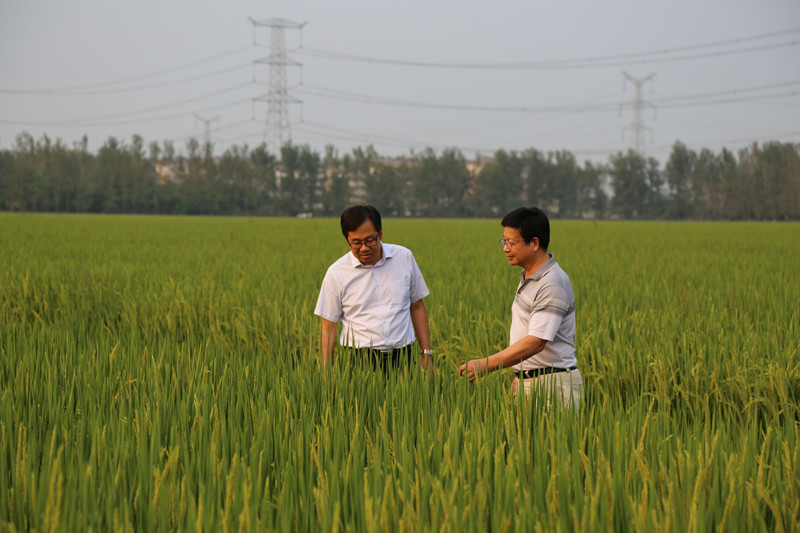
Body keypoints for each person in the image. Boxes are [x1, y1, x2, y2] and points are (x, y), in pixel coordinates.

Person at [458, 207, 582, 410]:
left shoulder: (552, 283)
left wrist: (486, 364)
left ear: (534, 243)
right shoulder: (530, 276)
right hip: (536, 379)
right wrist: (522, 374)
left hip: (552, 386)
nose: (505, 249)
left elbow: (536, 342)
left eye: (511, 243)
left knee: (549, 433)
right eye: (504, 241)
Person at [314, 204, 433, 371]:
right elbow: (328, 327)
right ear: (347, 240)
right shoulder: (336, 273)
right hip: (359, 361)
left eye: (370, 240)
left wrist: (426, 354)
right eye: (356, 243)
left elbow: (417, 306)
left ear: (380, 234)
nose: (364, 248)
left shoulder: (404, 258)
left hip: (403, 357)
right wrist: (326, 374)